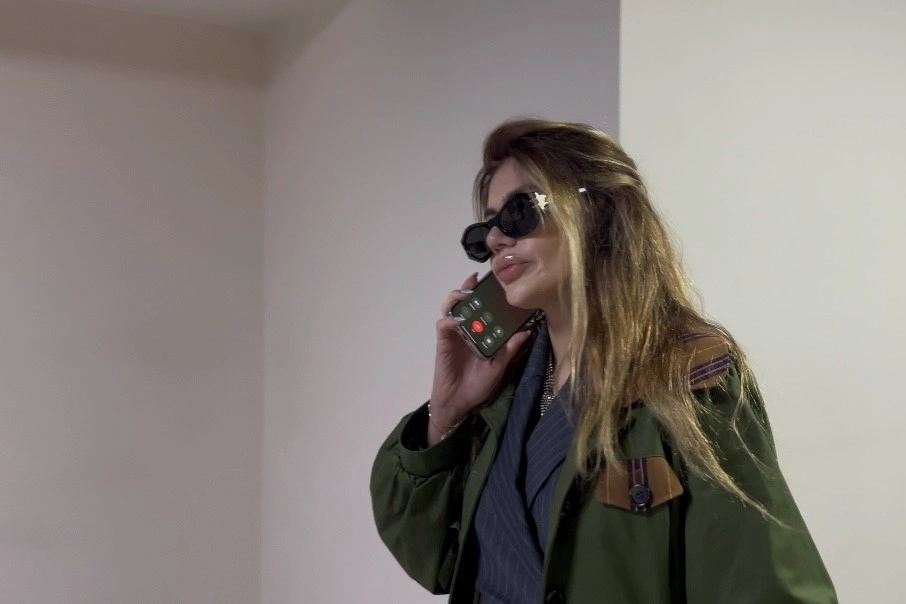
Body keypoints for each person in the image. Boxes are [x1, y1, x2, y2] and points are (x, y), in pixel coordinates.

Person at [370, 118, 837, 603]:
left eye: (519, 213)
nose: (494, 241)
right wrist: (446, 413)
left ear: (598, 210)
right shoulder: (502, 395)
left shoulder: (688, 374)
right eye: (484, 230)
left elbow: (758, 585)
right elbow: (432, 557)